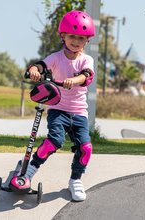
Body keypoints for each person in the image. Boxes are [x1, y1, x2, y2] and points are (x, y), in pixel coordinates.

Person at [24, 10, 95, 202]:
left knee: (86, 148)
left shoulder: (86, 60)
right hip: (58, 109)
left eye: (81, 38)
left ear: (86, 41)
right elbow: (41, 65)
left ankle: (75, 180)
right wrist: (33, 70)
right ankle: (29, 171)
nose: (76, 41)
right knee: (53, 141)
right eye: (72, 36)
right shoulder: (55, 57)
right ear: (63, 35)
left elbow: (87, 75)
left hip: (79, 112)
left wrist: (76, 79)